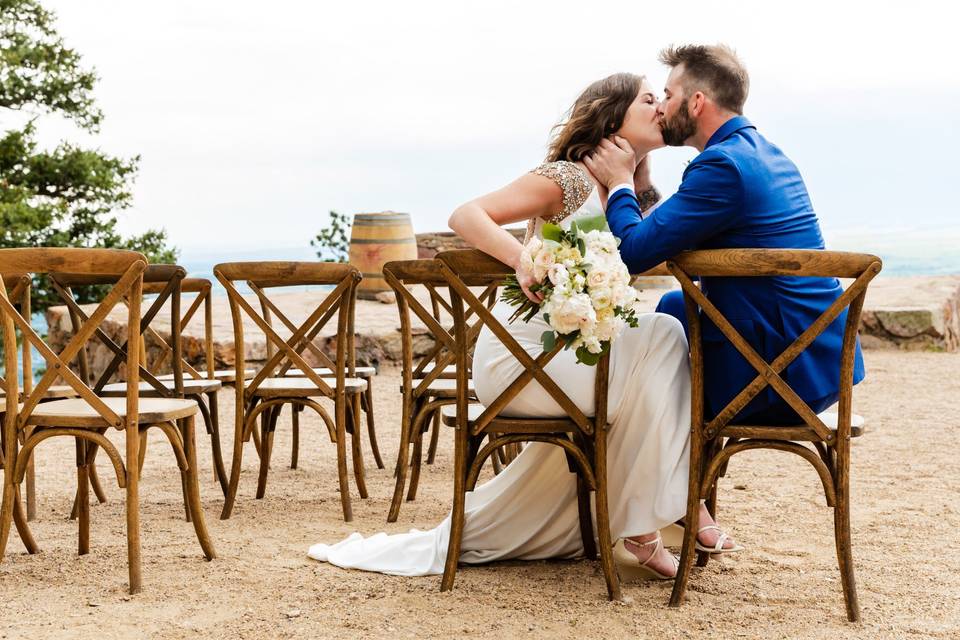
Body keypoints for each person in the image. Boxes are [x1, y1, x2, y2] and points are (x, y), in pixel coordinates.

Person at [309, 72, 739, 582]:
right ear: (613, 116)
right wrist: (522, 258)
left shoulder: (638, 198)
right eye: (649, 99)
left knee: (667, 336)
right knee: (666, 334)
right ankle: (673, 510)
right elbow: (466, 215)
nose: (663, 106)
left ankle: (651, 520)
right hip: (522, 356)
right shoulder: (569, 178)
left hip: (582, 358)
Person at [584, 44, 865, 426]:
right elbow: (669, 232)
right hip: (821, 361)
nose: (662, 108)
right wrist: (643, 187)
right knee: (674, 307)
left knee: (667, 320)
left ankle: (625, 438)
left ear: (696, 102)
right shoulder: (763, 153)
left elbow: (632, 253)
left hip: (779, 375)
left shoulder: (722, 166)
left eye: (668, 95)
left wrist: (619, 183)